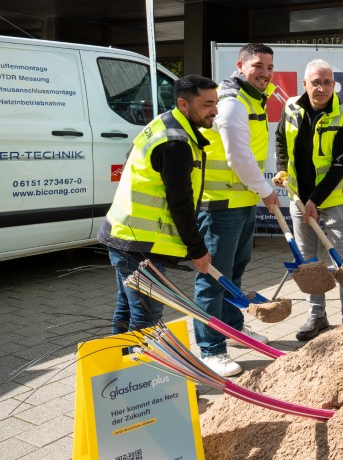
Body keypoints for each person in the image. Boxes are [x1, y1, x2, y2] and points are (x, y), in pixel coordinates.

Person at [98, 75, 216, 334]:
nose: (215, 111)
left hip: (124, 235)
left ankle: (122, 368)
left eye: (215, 103)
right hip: (140, 243)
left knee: (128, 308)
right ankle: (143, 372)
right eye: (207, 104)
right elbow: (180, 202)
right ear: (184, 104)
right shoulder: (176, 143)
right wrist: (198, 250)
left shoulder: (165, 123)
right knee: (146, 316)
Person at [194, 43, 279, 377]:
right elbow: (238, 157)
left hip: (241, 203)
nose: (265, 73)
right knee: (213, 280)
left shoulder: (254, 98)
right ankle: (210, 350)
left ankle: (232, 329)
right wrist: (266, 190)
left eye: (270, 68)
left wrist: (258, 193)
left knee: (234, 274)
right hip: (220, 206)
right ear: (241, 65)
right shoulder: (230, 102)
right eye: (258, 66)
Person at [275, 59, 343, 340]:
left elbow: (341, 163)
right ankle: (316, 316)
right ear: (305, 84)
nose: (322, 88)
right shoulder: (290, 107)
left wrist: (314, 199)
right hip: (299, 197)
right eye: (316, 82)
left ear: (334, 85)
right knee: (308, 261)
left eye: (327, 82)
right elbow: (279, 139)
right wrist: (281, 167)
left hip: (333, 198)